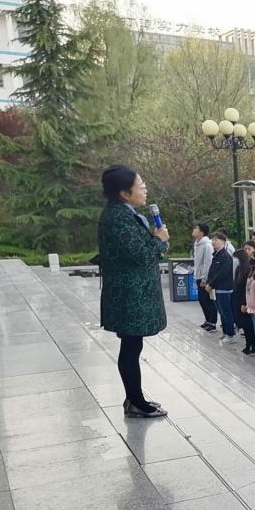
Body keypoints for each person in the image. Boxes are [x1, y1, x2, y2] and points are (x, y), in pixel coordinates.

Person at [97, 166, 170, 418]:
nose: (145, 189)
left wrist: (158, 240)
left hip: (133, 294)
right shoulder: (118, 218)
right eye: (140, 186)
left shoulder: (125, 213)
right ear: (124, 193)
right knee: (130, 347)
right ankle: (136, 402)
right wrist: (159, 240)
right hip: (129, 296)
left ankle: (135, 399)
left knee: (132, 346)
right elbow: (141, 255)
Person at [206, 232, 236, 343]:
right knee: (221, 312)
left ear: (223, 241)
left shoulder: (225, 256)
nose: (214, 242)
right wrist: (208, 283)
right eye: (213, 239)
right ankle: (225, 332)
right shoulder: (216, 255)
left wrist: (211, 284)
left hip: (224, 289)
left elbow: (222, 273)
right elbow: (212, 271)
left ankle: (230, 334)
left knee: (226, 312)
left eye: (216, 240)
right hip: (215, 289)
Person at [191, 223, 217, 332]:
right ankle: (207, 320)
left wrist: (205, 279)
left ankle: (212, 323)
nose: (193, 230)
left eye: (196, 228)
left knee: (208, 301)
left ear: (201, 232)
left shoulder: (207, 245)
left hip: (204, 278)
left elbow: (208, 263)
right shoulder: (197, 244)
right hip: (198, 276)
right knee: (202, 300)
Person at [232, 249, 255, 355]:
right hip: (237, 299)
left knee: (248, 325)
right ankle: (248, 344)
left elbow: (246, 289)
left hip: (244, 301)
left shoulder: (248, 270)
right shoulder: (239, 269)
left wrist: (244, 303)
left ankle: (251, 345)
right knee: (243, 324)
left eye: (236, 258)